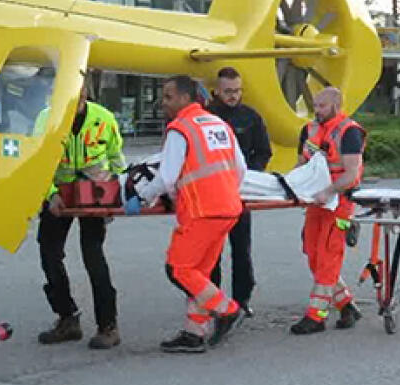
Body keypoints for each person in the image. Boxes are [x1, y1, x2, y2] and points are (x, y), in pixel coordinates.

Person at [125, 75, 248, 353]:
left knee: (178, 269)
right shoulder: (219, 124)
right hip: (228, 208)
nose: (163, 103)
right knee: (200, 274)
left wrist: (142, 197)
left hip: (201, 210)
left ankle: (227, 309)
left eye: (168, 97)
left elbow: (167, 177)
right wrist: (224, 191)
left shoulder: (181, 128)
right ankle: (194, 333)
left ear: (184, 98)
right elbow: (239, 169)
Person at [36, 82, 126, 349]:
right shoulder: (46, 118)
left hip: (93, 194)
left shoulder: (103, 118)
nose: (73, 106)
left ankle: (108, 326)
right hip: (59, 195)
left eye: (79, 98)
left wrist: (116, 190)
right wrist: (51, 194)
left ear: (86, 95)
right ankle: (67, 318)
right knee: (50, 254)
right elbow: (38, 164)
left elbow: (116, 157)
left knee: (93, 255)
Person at [291, 87, 367, 336]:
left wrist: (330, 190)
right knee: (312, 252)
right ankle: (346, 305)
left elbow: (351, 173)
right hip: (317, 202)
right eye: (315, 105)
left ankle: (316, 316)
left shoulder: (349, 132)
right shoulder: (310, 130)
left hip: (340, 203)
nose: (317, 110)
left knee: (328, 256)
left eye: (322, 106)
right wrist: (292, 186)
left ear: (336, 105)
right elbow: (302, 165)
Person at [205, 67, 272, 317]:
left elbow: (263, 152)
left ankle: (242, 298)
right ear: (216, 91)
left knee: (241, 248)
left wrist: (249, 175)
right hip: (210, 193)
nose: (233, 96)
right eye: (228, 91)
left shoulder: (251, 117)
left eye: (237, 91)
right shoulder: (206, 116)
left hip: (239, 191)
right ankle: (213, 298)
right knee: (211, 250)